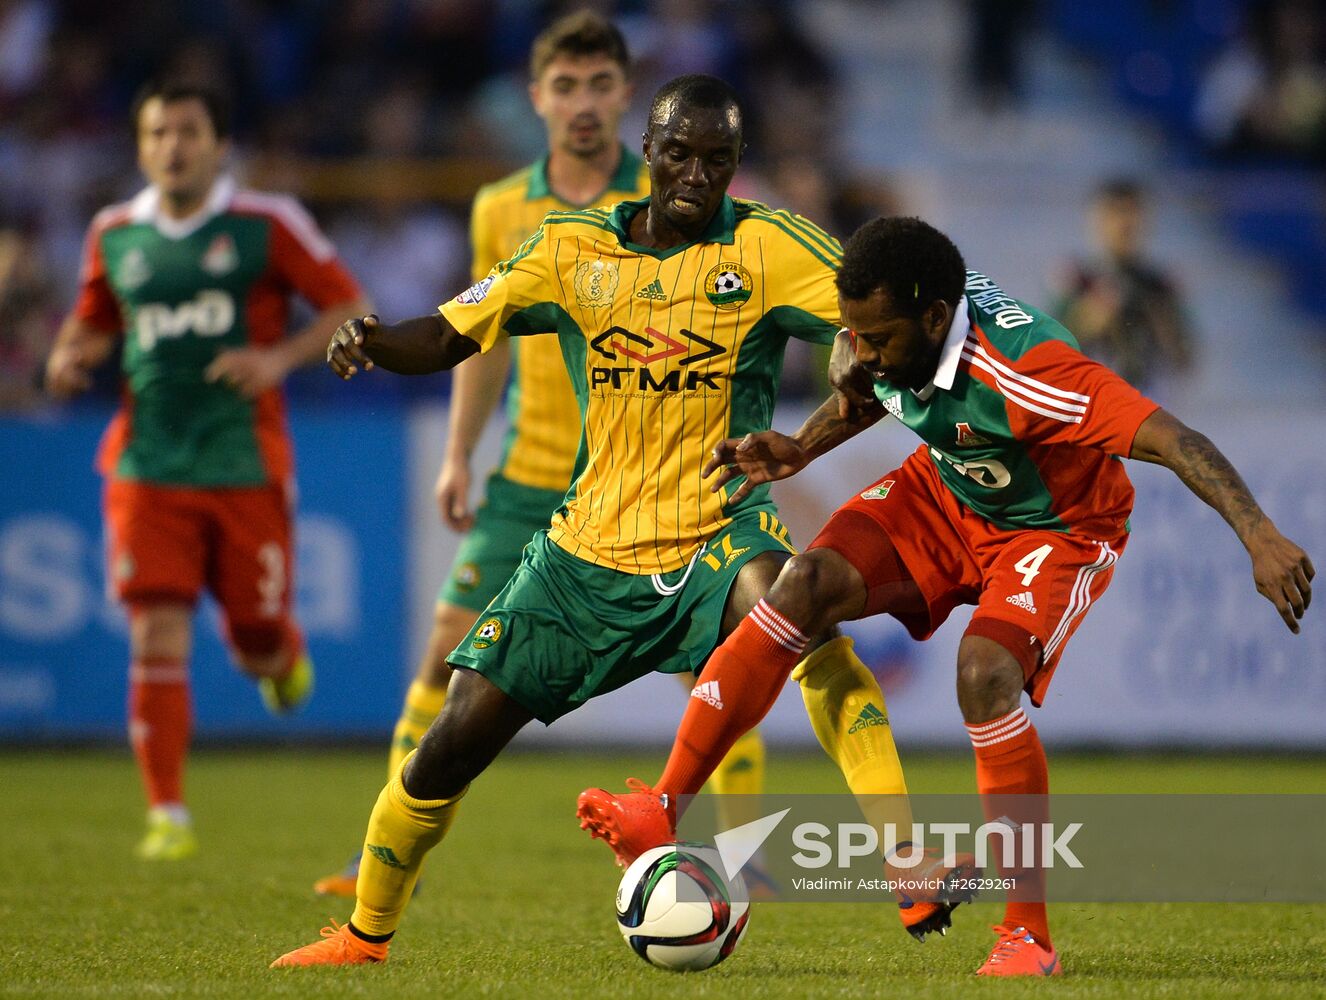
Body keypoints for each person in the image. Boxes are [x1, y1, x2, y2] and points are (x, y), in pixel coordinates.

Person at [271, 74, 960, 969]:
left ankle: (904, 862)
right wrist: (370, 336)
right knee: (450, 743)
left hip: (718, 532)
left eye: (719, 160)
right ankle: (364, 936)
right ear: (649, 152)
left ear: (736, 164)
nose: (697, 175)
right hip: (582, 557)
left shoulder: (772, 247)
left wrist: (842, 378)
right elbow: (447, 335)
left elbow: (877, 326)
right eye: (680, 153)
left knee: (808, 628)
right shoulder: (567, 252)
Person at [578, 216, 1314, 977]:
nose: (860, 349)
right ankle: (660, 805)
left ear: (936, 319)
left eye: (879, 337)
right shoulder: (888, 323)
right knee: (803, 584)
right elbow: (868, 389)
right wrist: (801, 446)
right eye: (852, 332)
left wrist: (1258, 535)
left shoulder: (1032, 369)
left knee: (984, 675)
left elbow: (1174, 438)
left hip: (1054, 529)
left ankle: (1027, 938)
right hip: (947, 494)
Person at [311, 9, 774, 899]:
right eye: (566, 86)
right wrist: (458, 453)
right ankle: (375, 860)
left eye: (601, 83)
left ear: (631, 106)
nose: (584, 103)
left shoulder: (676, 217)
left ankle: (739, 854)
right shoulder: (508, 210)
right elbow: (474, 330)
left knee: (728, 658)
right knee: (452, 655)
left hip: (663, 482)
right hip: (536, 472)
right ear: (539, 100)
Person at [44, 81, 370, 861]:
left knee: (255, 636)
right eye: (157, 133)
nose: (172, 148)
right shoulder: (115, 233)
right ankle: (168, 815)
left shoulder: (266, 224)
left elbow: (348, 305)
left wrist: (277, 359)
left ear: (219, 145)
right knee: (155, 628)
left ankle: (279, 656)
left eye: (188, 132)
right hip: (147, 462)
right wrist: (69, 353)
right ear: (140, 145)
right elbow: (93, 318)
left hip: (243, 462)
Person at [1049, 178, 1193, 391]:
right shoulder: (1076, 280)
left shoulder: (1160, 284)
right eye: (1116, 213)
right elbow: (1049, 350)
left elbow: (1184, 358)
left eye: (1133, 213)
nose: (1125, 224)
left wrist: (1160, 319)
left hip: (1146, 401)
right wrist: (1089, 318)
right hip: (1089, 400)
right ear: (1098, 220)